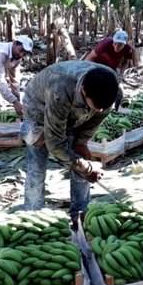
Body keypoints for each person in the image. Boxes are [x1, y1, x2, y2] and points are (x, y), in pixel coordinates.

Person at [20, 61, 119, 225]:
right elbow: (55, 144)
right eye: (97, 106)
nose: (100, 110)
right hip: (38, 110)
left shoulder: (110, 86)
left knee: (80, 159)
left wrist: (81, 142)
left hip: (73, 114)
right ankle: (33, 215)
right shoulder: (60, 89)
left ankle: (80, 214)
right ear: (83, 91)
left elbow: (97, 118)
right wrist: (86, 167)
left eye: (104, 107)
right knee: (37, 165)